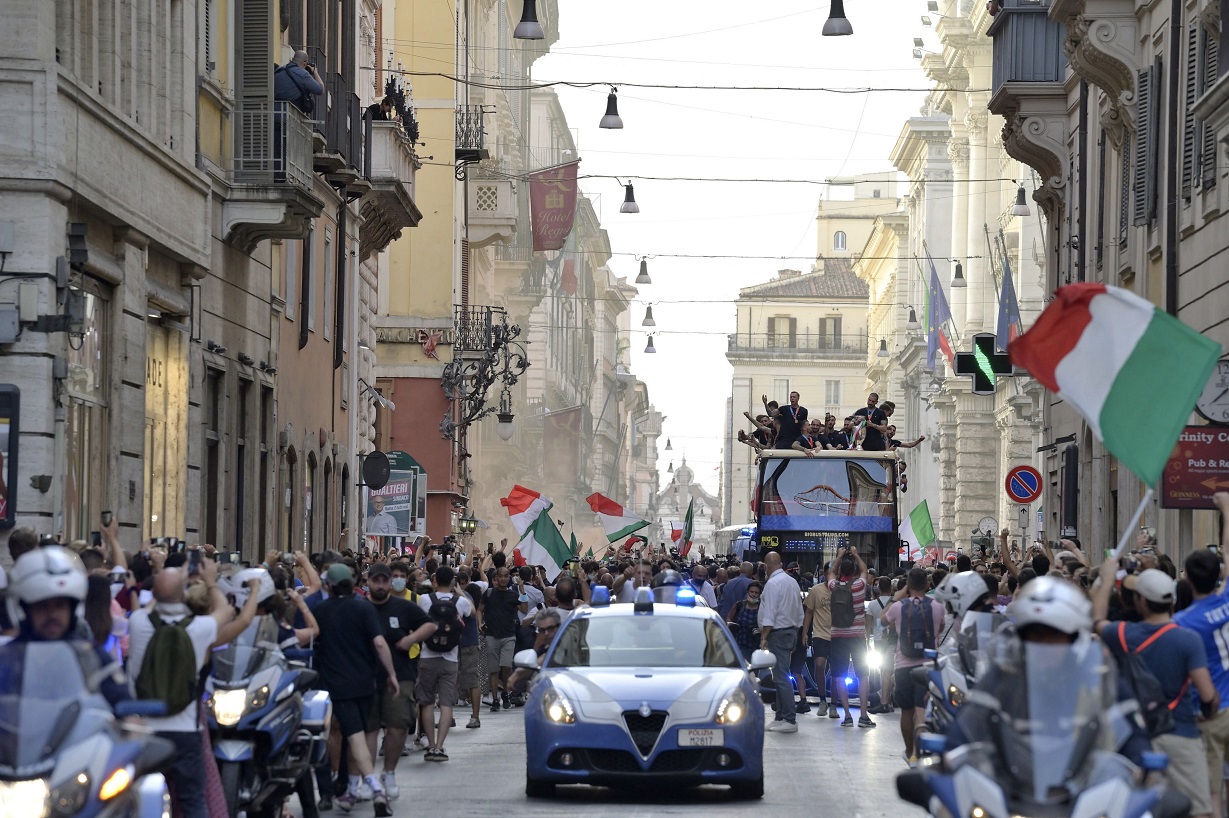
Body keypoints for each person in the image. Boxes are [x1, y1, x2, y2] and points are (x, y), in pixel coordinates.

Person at [1093, 561, 1218, 818]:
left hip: (1137, 738)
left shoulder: (1125, 634)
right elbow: (1207, 696)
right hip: (1181, 732)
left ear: (1141, 601)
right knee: (1197, 809)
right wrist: (1208, 711)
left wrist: (1106, 580)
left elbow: (1097, 621)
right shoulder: (1187, 639)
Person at [128, 560, 236, 818]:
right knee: (191, 801)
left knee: (140, 800)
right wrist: (209, 580)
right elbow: (225, 610)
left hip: (145, 730)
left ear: (154, 594)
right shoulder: (201, 628)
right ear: (184, 594)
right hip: (186, 731)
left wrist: (168, 579)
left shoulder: (139, 623)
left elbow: (152, 603)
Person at [312, 563, 399, 815]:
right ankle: (351, 789)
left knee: (354, 738)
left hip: (338, 687)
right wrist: (391, 674)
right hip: (365, 685)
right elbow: (380, 644)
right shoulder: (363, 607)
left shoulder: (321, 610)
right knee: (355, 736)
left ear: (330, 585)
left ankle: (375, 788)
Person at [1173, 492, 1229, 818]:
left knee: (1212, 794)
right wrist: (1226, 510)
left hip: (1211, 712)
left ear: (1188, 580)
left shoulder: (1183, 622)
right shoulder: (1226, 602)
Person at [364, 563, 435, 800]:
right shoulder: (360, 608)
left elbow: (430, 625)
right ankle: (369, 777)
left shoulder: (404, 607)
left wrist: (411, 639)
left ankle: (389, 772)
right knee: (370, 731)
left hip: (401, 674)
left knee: (397, 726)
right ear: (369, 581)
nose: (384, 584)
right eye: (380, 580)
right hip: (367, 677)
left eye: (391, 579)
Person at [882, 569, 944, 764]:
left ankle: (910, 753)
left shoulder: (899, 607)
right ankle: (921, 750)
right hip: (927, 666)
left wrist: (897, 596)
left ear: (908, 584)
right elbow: (940, 628)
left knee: (906, 712)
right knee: (923, 711)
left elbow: (882, 620)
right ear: (927, 585)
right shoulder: (936, 606)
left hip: (903, 665)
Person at [416, 565, 474, 762]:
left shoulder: (425, 600)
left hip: (427, 656)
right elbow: (472, 612)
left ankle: (430, 745)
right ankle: (440, 747)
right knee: (447, 703)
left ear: (434, 581)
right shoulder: (460, 602)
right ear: (452, 582)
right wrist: (458, 591)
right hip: (450, 658)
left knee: (427, 702)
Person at [758, 551, 804, 732]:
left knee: (781, 676)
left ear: (767, 566)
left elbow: (770, 613)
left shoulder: (772, 584)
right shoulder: (792, 582)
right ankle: (780, 716)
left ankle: (790, 719)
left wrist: (764, 636)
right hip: (791, 632)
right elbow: (800, 611)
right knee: (780, 676)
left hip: (778, 633)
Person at [829, 547, 875, 727]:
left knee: (839, 675)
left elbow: (831, 572)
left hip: (837, 634)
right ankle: (863, 715)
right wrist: (856, 554)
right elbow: (865, 571)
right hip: (856, 635)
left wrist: (839, 556)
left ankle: (847, 715)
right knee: (863, 675)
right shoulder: (860, 586)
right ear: (854, 571)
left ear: (841, 571)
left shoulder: (833, 586)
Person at [480, 567, 526, 712]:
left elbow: (524, 609)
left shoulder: (513, 595)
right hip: (492, 635)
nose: (504, 579)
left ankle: (506, 693)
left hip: (508, 636)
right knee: (493, 670)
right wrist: (480, 622)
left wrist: (522, 590)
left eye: (506, 576)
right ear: (496, 578)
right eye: (501, 576)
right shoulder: (488, 594)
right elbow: (480, 609)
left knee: (506, 667)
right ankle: (495, 699)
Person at [804, 562, 836, 718]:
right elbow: (809, 612)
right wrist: (805, 632)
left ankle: (834, 703)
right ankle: (822, 699)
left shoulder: (842, 589)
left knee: (837, 671)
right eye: (830, 572)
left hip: (838, 635)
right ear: (824, 573)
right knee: (819, 664)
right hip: (819, 634)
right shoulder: (816, 591)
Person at [274, 50, 324, 114]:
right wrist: (315, 73)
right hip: (290, 115)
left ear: (292, 59)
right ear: (305, 63)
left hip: (273, 113)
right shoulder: (302, 74)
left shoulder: (279, 70)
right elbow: (320, 89)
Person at [726, 581, 763, 659]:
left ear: (759, 594)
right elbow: (729, 618)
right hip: (739, 642)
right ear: (747, 592)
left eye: (756, 593)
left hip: (754, 645)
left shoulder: (762, 608)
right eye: (751, 592)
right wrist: (732, 626)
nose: (753, 594)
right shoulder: (740, 605)